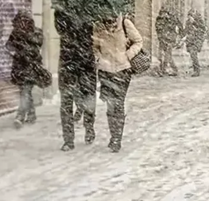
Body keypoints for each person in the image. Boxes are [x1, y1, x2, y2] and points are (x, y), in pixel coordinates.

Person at [92, 13, 143, 152]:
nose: (110, 24)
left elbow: (138, 41)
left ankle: (116, 139)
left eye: (112, 20)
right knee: (110, 105)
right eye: (107, 21)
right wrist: (98, 58)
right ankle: (113, 134)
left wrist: (128, 55)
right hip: (106, 71)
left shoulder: (125, 23)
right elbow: (95, 46)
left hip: (122, 70)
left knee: (118, 103)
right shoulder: (98, 26)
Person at [55, 8, 97, 151]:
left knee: (88, 97)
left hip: (85, 64)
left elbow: (94, 34)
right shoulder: (61, 12)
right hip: (68, 64)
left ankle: (89, 127)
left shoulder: (91, 11)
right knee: (66, 102)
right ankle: (68, 139)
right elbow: (60, 29)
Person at [6, 11, 44, 129]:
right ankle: (32, 114)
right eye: (19, 21)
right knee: (25, 92)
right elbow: (8, 45)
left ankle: (20, 116)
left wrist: (24, 40)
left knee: (25, 91)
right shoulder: (16, 33)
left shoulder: (37, 32)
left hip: (32, 67)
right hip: (20, 67)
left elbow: (37, 45)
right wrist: (15, 44)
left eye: (24, 21)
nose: (21, 24)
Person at [156, 7, 182, 76]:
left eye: (165, 13)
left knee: (167, 56)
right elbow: (158, 30)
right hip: (162, 40)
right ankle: (169, 69)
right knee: (162, 55)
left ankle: (165, 70)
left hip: (169, 40)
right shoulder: (160, 20)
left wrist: (176, 37)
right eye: (162, 13)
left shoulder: (171, 20)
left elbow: (178, 28)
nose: (164, 15)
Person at [184, 10, 207, 77]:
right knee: (192, 55)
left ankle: (196, 70)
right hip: (190, 40)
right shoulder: (188, 22)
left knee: (193, 53)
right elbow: (186, 30)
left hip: (197, 40)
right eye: (189, 16)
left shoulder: (199, 22)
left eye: (191, 16)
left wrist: (194, 23)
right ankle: (195, 68)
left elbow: (202, 29)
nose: (189, 18)